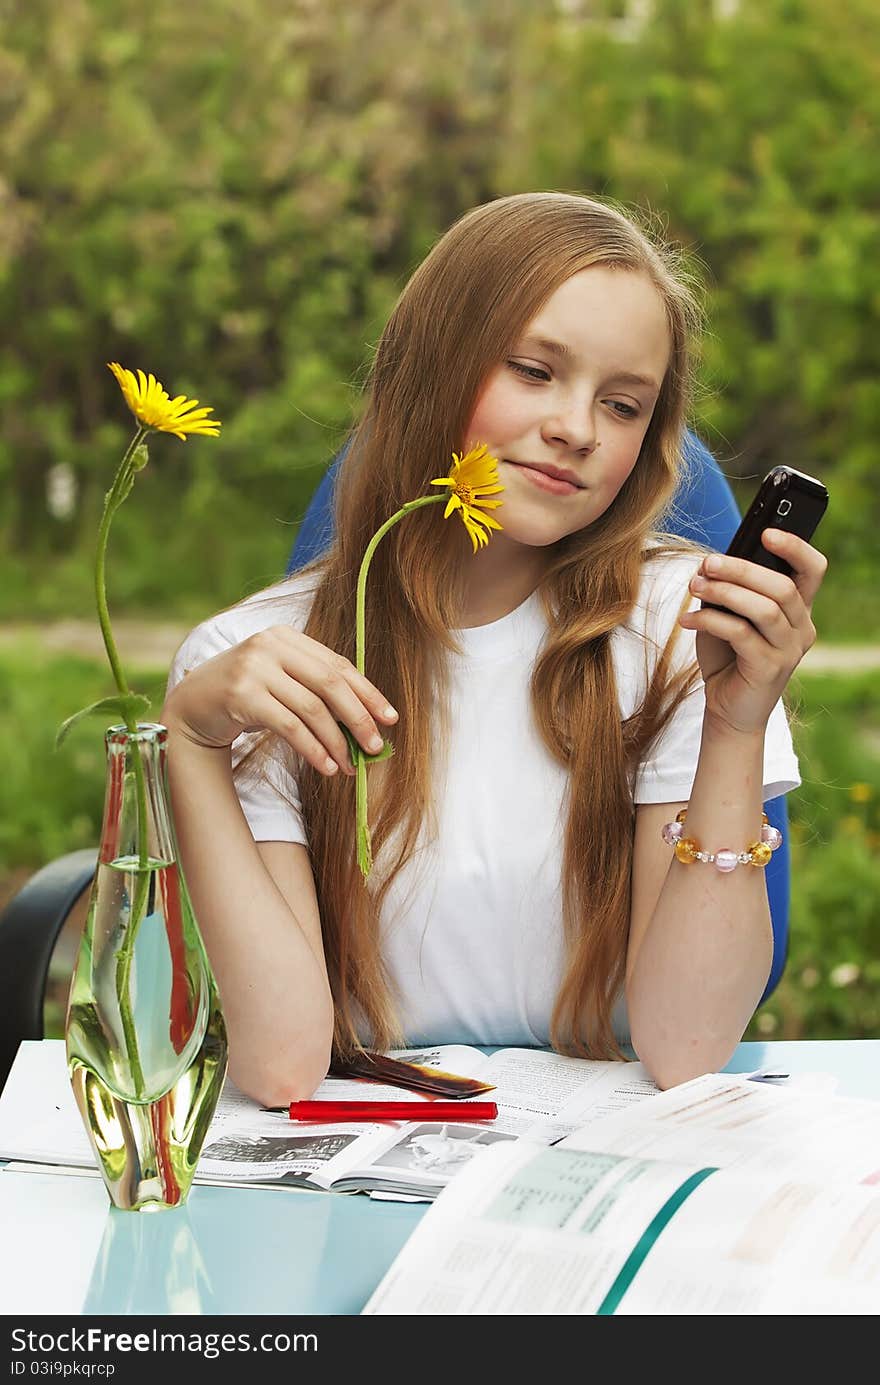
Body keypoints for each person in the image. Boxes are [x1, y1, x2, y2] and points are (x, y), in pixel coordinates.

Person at [161, 192, 825, 1107]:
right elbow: (284, 1066)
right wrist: (189, 748)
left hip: (598, 1170)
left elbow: (688, 1048)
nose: (577, 428)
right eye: (534, 370)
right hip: (376, 1147)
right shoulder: (259, 662)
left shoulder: (676, 629)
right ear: (431, 365)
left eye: (623, 404)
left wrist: (736, 725)